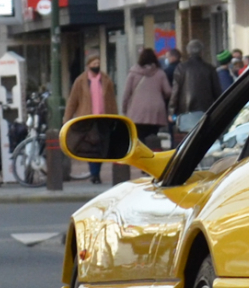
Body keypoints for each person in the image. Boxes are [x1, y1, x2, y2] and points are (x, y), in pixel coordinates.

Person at [65, 52, 114, 185]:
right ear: (88, 65)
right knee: (90, 148)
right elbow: (72, 101)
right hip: (87, 119)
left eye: (98, 64)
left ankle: (96, 172)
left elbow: (111, 101)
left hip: (103, 118)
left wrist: (115, 118)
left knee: (101, 147)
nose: (96, 66)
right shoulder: (80, 81)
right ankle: (95, 174)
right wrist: (67, 119)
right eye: (93, 64)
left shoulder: (106, 80)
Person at [121, 47, 172, 149]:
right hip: (156, 111)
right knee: (153, 136)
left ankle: (142, 159)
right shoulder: (160, 73)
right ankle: (152, 156)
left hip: (137, 111)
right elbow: (168, 91)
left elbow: (126, 93)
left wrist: (124, 109)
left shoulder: (133, 73)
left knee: (139, 137)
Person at [173, 40, 220, 135]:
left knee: (186, 138)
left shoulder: (181, 68)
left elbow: (176, 91)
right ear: (202, 52)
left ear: (188, 52)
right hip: (205, 109)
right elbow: (217, 91)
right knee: (203, 136)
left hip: (185, 110)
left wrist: (172, 110)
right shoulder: (210, 68)